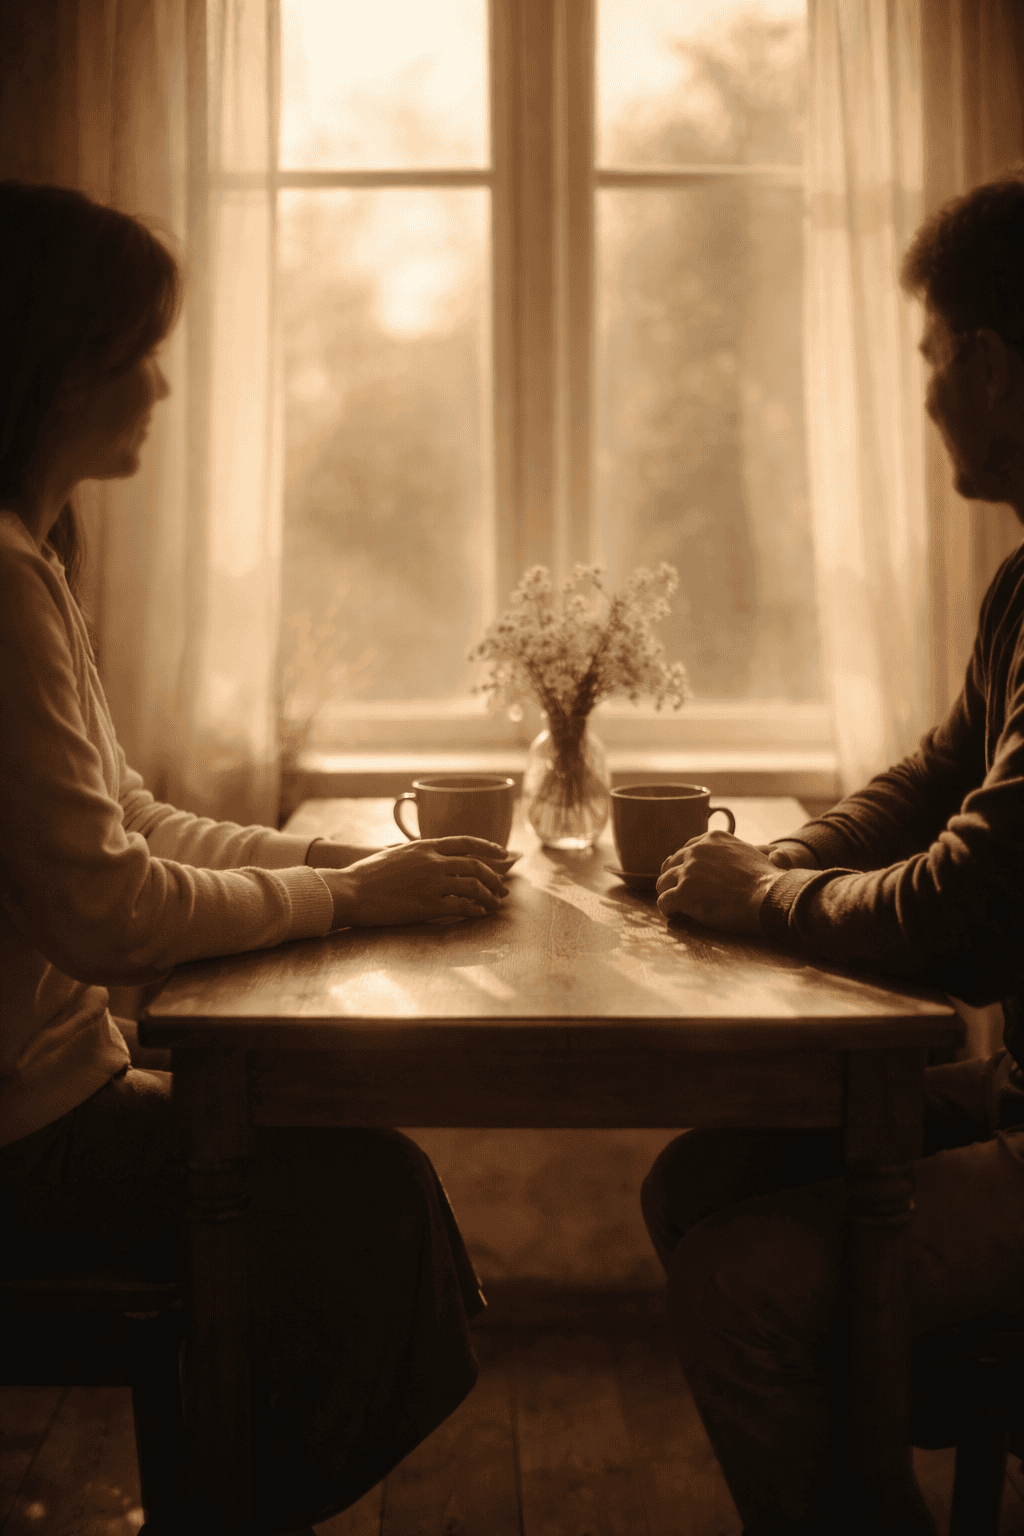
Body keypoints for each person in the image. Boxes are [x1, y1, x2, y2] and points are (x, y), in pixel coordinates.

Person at [0, 180, 514, 1535]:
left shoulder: (30, 559)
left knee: (365, 1186)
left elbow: (129, 814)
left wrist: (327, 858)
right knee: (369, 1199)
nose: (162, 383)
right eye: (138, 348)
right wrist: (344, 896)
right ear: (55, 366)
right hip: (21, 1141)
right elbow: (107, 907)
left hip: (51, 1103)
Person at [641, 168, 1024, 1536]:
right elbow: (940, 777)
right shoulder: (1023, 581)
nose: (924, 397)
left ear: (982, 361)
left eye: (930, 358)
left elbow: (974, 905)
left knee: (737, 1288)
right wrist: (773, 856)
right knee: (700, 1178)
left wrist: (770, 899)